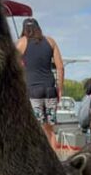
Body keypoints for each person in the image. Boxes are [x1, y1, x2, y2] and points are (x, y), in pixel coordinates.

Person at [16, 17, 64, 148]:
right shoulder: (50, 41)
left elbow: (12, 66)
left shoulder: (21, 43)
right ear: (38, 28)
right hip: (50, 90)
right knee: (50, 131)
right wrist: (60, 89)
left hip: (33, 92)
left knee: (36, 129)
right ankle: (55, 162)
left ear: (24, 29)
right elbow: (60, 67)